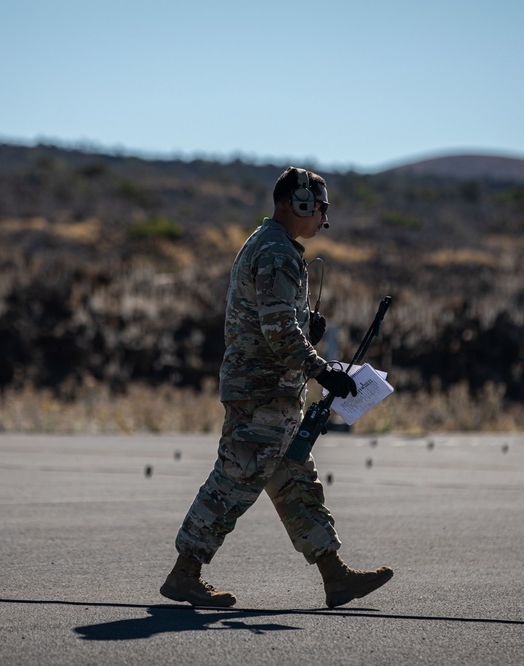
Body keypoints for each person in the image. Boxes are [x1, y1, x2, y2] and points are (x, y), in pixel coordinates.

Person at [159, 166, 393, 609]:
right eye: (320, 208)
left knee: (296, 482)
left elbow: (279, 323)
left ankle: (334, 575)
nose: (324, 219)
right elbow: (278, 331)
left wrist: (308, 328)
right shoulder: (277, 252)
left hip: (272, 391)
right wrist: (322, 370)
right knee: (235, 479)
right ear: (298, 203)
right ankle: (185, 572)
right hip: (262, 393)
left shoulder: (272, 245)